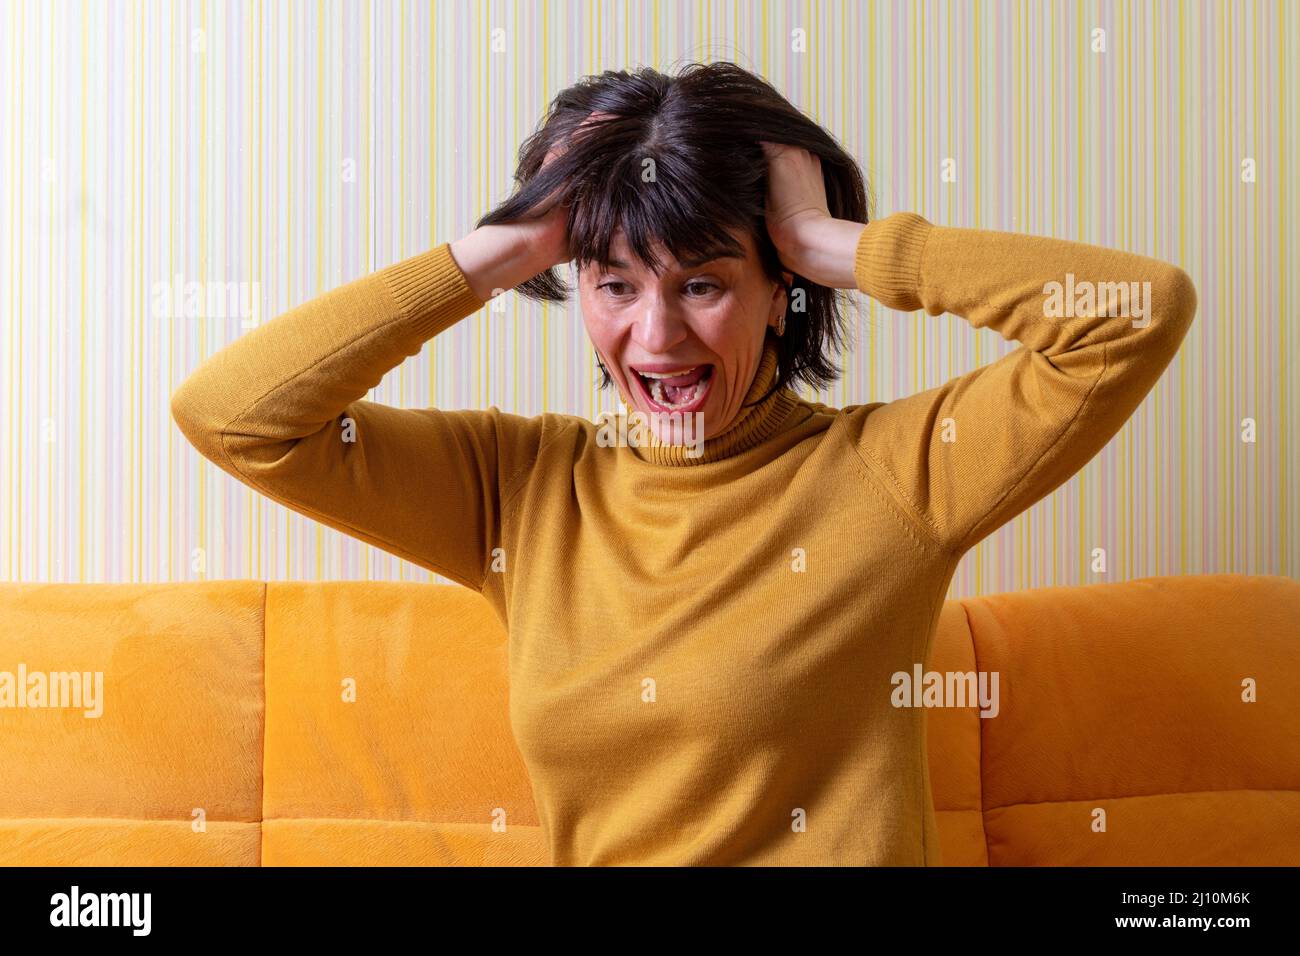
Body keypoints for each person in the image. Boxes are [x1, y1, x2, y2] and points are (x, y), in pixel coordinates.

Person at [171, 61, 1197, 865]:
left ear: (779, 290)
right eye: (614, 285)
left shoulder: (894, 474)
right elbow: (232, 415)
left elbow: (1133, 313)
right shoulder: (518, 488)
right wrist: (496, 252)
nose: (654, 337)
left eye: (702, 283)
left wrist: (832, 240)